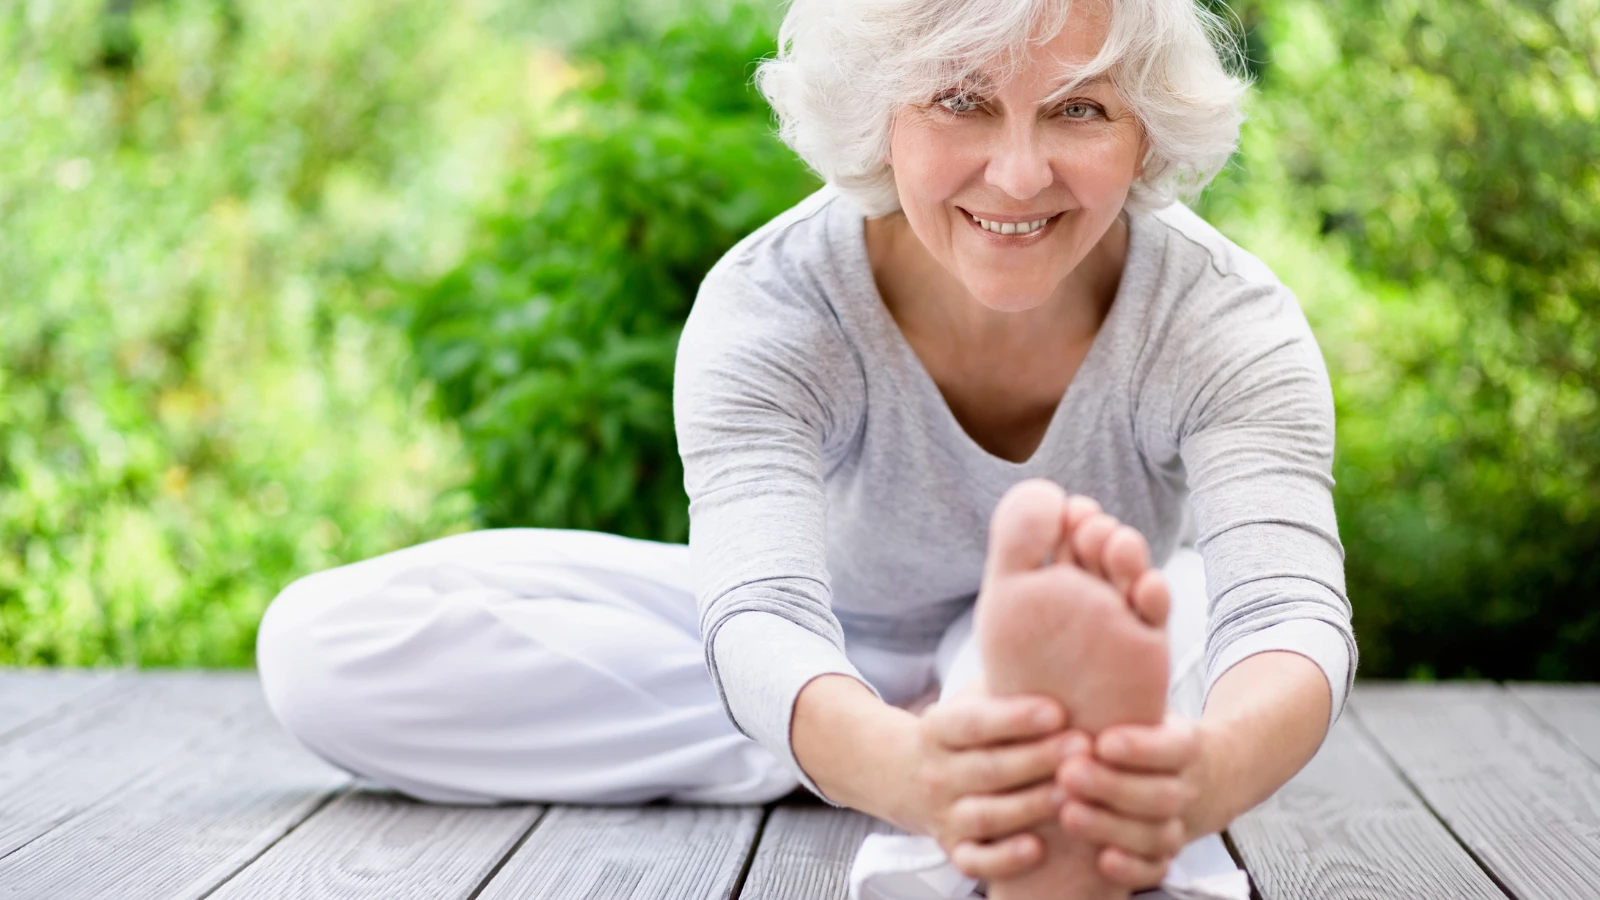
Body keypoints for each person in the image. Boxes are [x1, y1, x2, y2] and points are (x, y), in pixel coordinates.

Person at [254, 0, 1356, 897]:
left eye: (1078, 110)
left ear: (1147, 129)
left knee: (1201, 605)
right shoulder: (772, 306)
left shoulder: (1225, 323)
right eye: (961, 102)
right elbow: (764, 610)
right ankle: (982, 757)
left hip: (1112, 619)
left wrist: (1209, 774)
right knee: (322, 645)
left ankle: (989, 741)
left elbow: (1290, 612)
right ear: (878, 115)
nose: (1018, 176)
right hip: (830, 634)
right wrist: (897, 762)